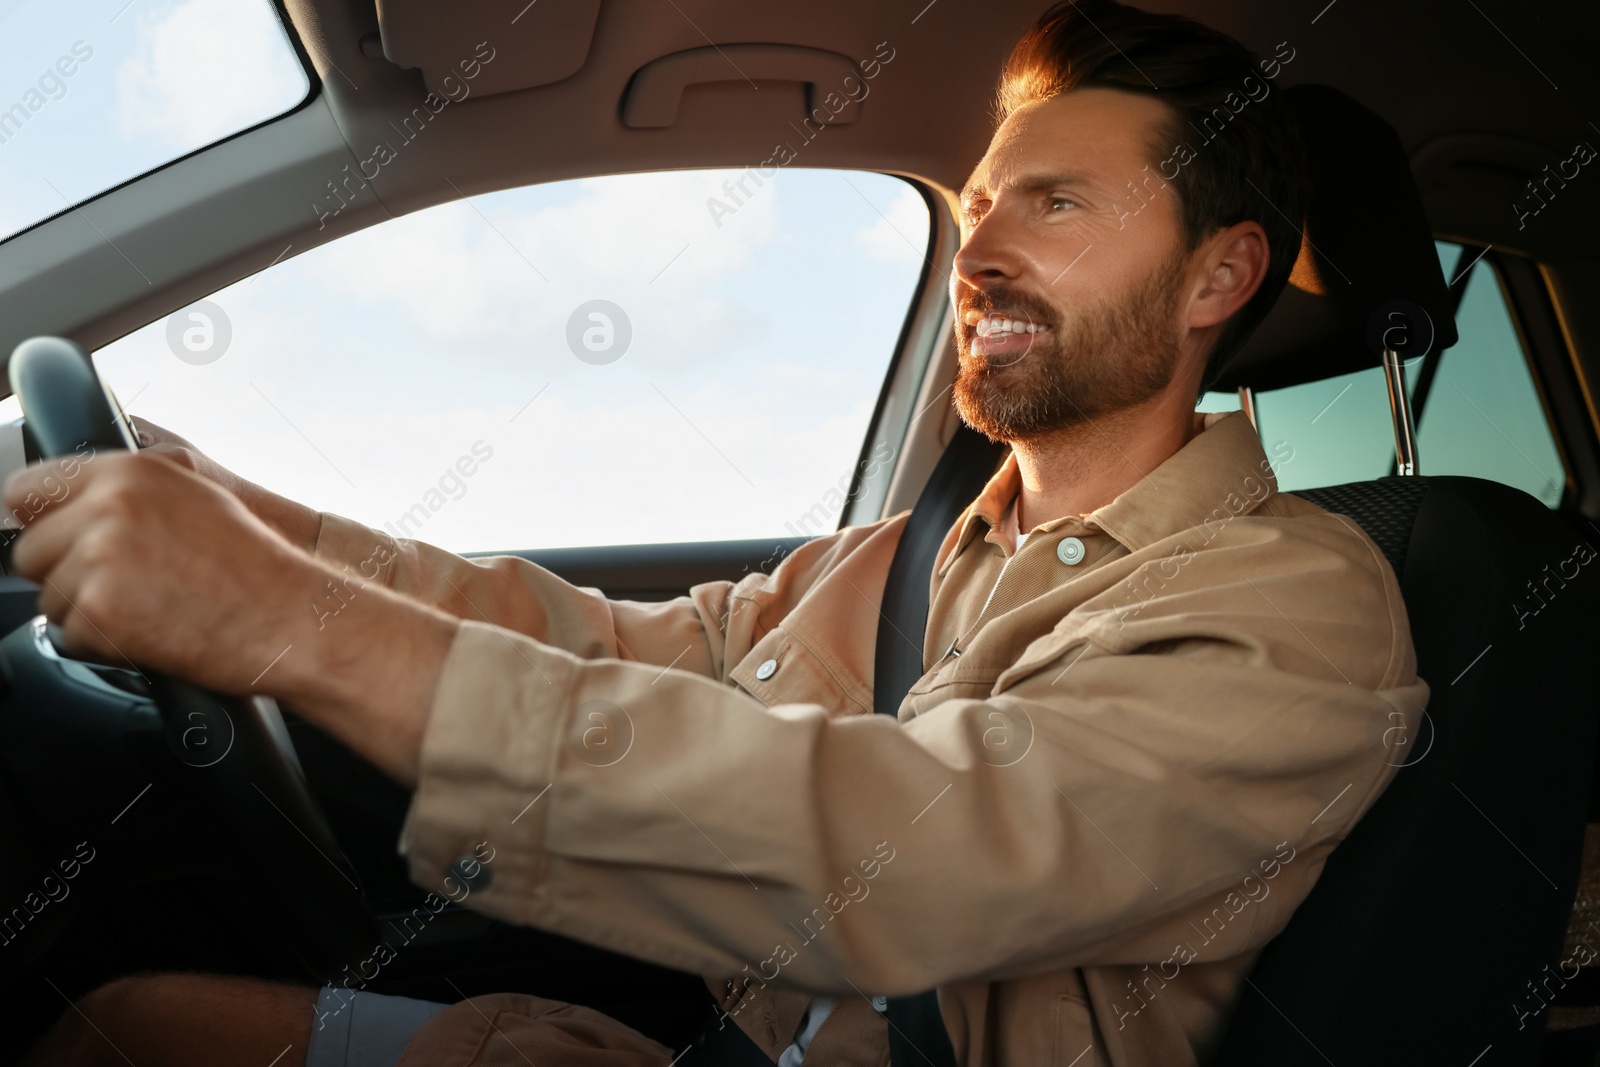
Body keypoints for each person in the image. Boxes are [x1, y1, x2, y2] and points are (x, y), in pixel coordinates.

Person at [17, 1, 1427, 1064]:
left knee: (130, 1030)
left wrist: (279, 626)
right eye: (983, 204)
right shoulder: (911, 553)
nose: (979, 250)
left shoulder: (1297, 609)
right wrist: (248, 528)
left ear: (1219, 274)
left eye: (1055, 206)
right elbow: (595, 641)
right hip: (735, 1024)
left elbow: (908, 858)